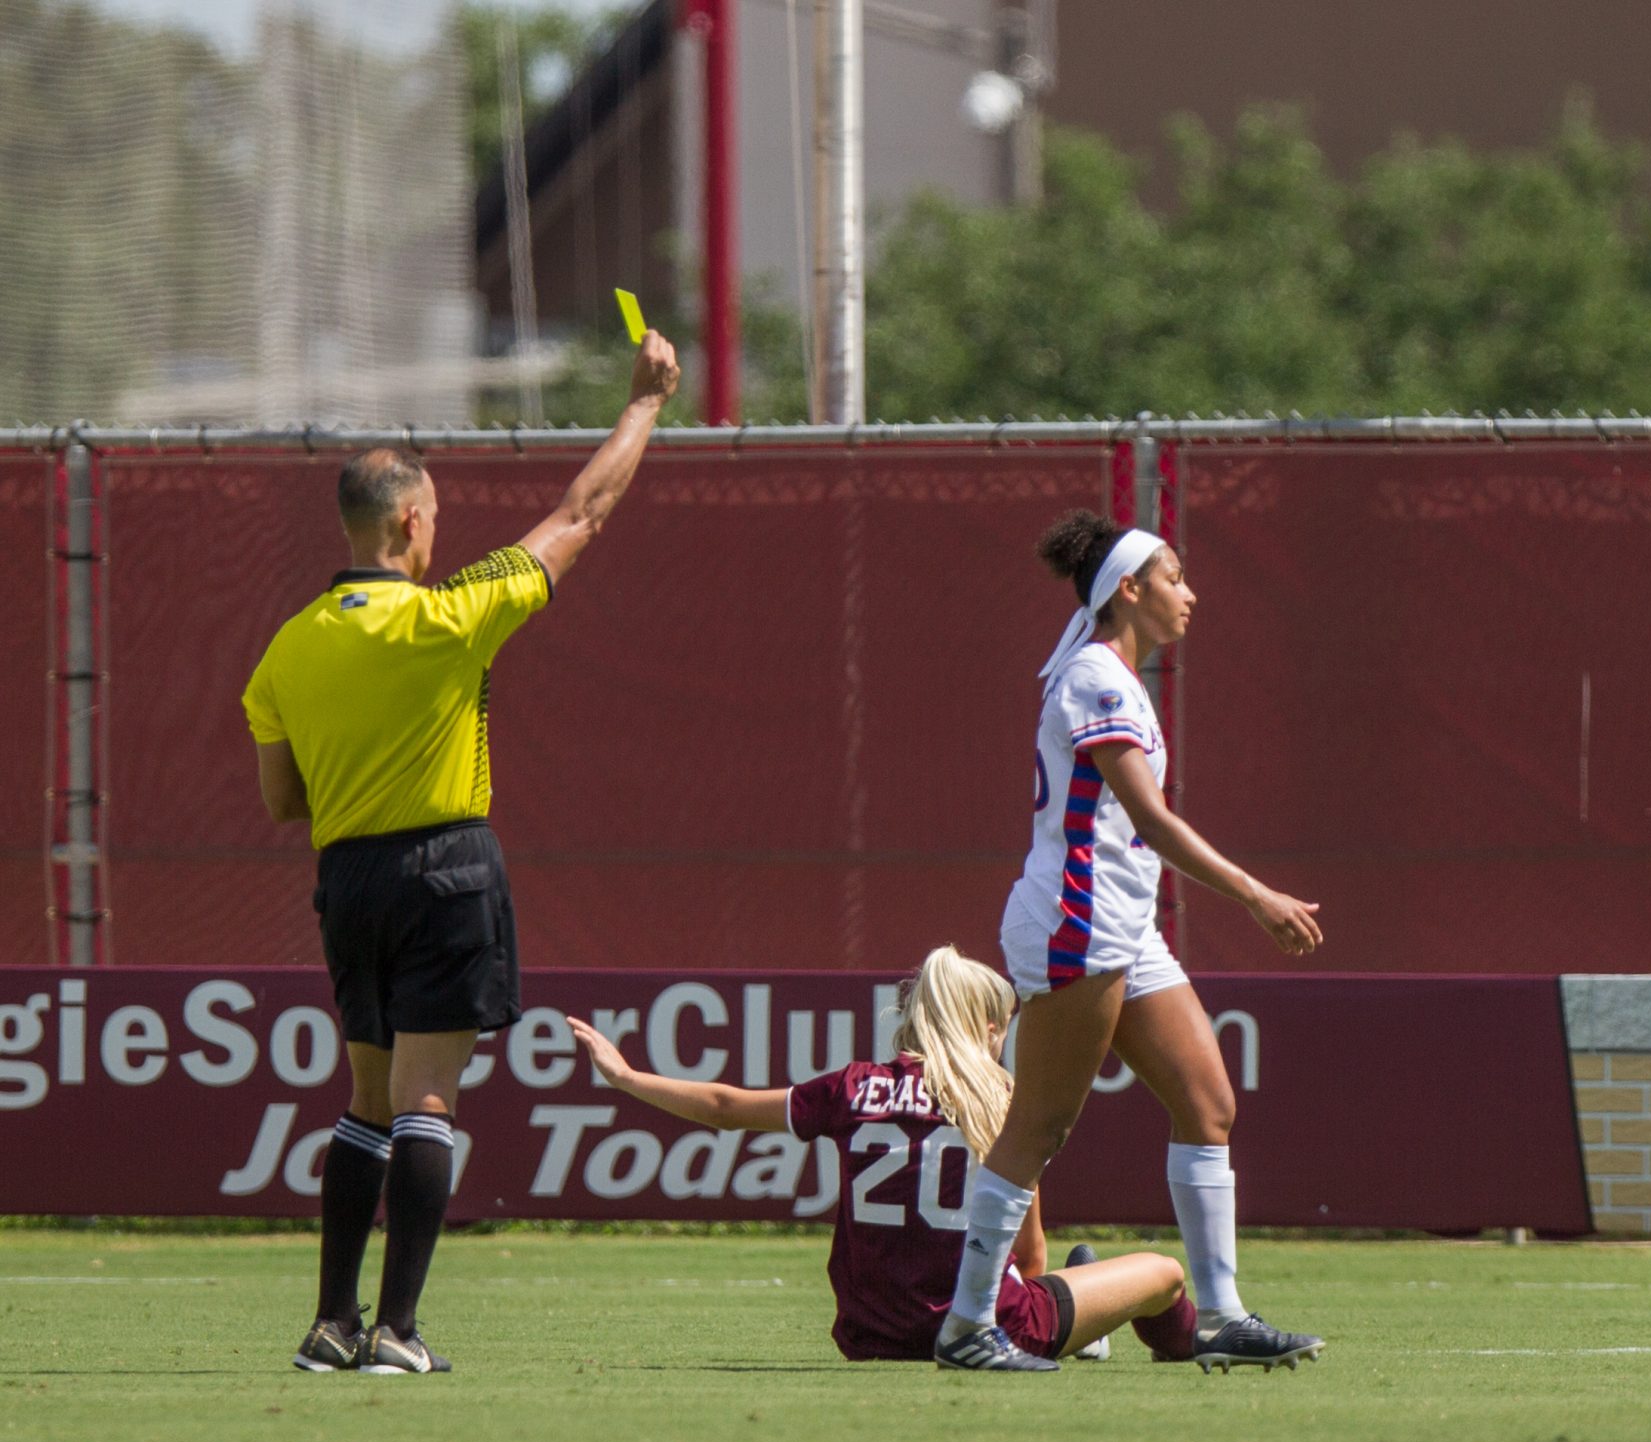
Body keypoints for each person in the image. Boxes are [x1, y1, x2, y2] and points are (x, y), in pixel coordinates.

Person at [245, 331, 682, 1375]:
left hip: (346, 878)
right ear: (408, 522)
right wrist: (646, 405)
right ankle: (397, 1331)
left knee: (365, 1100)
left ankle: (329, 1324)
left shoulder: (288, 645)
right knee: (427, 1105)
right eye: (434, 514)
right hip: (446, 865)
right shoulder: (449, 619)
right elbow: (582, 514)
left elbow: (281, 801)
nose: (440, 529)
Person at [934, 510, 1327, 1374]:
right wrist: (1255, 893)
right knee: (1039, 1123)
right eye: (1176, 576)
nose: (1191, 592)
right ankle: (967, 1324)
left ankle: (1219, 1316)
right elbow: (1150, 817)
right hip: (1079, 917)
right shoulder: (1098, 679)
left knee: (1209, 1103)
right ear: (1130, 589)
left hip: (1120, 922)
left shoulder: (1114, 676)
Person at [565, 949, 1200, 1365]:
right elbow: (1029, 1258)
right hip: (988, 1327)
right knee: (1162, 1272)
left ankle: (1091, 1332)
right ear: (982, 1027)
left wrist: (625, 1077)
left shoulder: (852, 1087)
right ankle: (1178, 1345)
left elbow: (726, 1107)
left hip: (873, 1336)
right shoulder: (1001, 1098)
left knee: (1068, 1284)